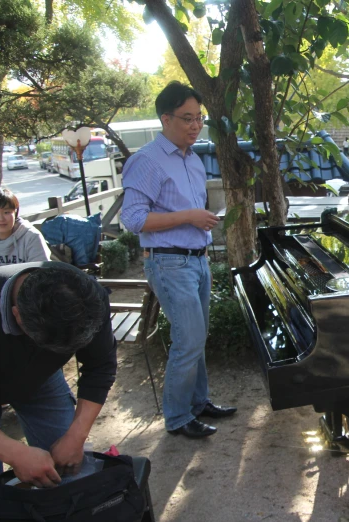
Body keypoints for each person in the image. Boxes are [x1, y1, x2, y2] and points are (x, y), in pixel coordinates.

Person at [121, 81, 236, 439]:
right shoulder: (146, 161)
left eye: (199, 119)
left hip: (196, 259)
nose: (195, 126)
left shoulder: (193, 159)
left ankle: (198, 401)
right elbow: (134, 219)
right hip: (169, 263)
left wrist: (201, 217)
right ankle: (176, 417)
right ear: (165, 118)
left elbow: (188, 209)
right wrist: (188, 216)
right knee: (189, 340)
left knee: (196, 338)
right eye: (187, 118)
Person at [0, 261, 116, 487]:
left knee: (70, 472)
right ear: (17, 315)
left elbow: (100, 367)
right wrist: (14, 454)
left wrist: (76, 437)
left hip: (40, 380)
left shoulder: (89, 298)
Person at [0, 186, 50, 267]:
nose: (0, 219)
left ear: (15, 213)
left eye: (6, 212)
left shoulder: (31, 237)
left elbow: (42, 273)